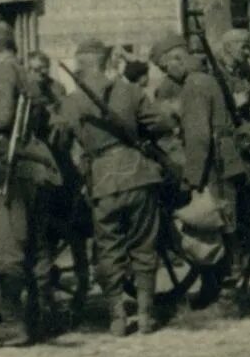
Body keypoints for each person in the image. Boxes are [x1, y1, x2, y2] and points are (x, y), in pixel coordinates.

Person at [55, 40, 170, 337]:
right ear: (106, 63)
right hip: (138, 175)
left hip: (102, 182)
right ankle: (145, 315)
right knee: (144, 245)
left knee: (108, 249)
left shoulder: (72, 102)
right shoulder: (130, 91)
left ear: (80, 67)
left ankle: (117, 318)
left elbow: (60, 141)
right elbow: (160, 123)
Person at [0, 29, 62, 347]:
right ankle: (42, 315)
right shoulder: (24, 73)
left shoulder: (3, 70)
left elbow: (2, 115)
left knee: (7, 246)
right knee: (36, 246)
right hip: (34, 165)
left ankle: (12, 323)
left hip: (9, 168)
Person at [151, 31, 247, 299]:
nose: (166, 74)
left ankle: (224, 285)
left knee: (215, 221)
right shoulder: (205, 78)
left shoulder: (194, 86)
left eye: (165, 67)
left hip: (214, 164)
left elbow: (198, 137)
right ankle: (215, 284)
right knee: (221, 220)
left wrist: (191, 178)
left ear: (177, 59)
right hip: (221, 157)